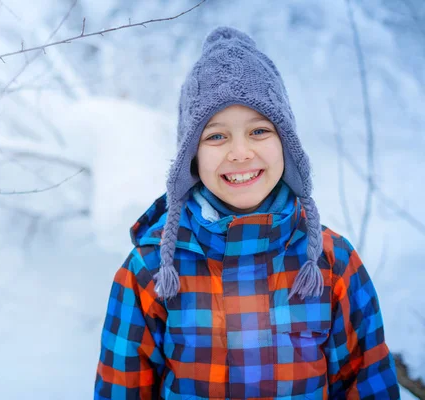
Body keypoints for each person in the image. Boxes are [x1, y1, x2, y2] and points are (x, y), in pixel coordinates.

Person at [94, 26, 400, 399]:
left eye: (258, 131)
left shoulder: (330, 262)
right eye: (216, 136)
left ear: (286, 144)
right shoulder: (153, 268)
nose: (239, 152)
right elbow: (120, 388)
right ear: (192, 157)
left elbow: (366, 382)